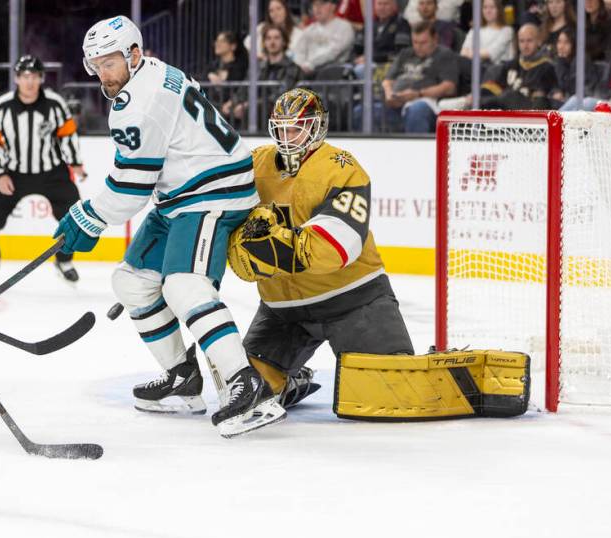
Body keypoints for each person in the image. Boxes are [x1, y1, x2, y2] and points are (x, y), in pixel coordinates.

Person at [56, 15, 285, 438]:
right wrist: (93, 214)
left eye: (109, 62)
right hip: (181, 194)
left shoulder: (137, 103)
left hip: (213, 193)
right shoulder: (153, 71)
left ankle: (245, 383)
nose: (102, 74)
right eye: (95, 64)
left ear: (134, 55)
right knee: (132, 283)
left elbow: (130, 189)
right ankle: (184, 378)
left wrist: (86, 216)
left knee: (184, 287)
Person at [227, 88, 413, 411]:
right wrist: (237, 250)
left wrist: (263, 250)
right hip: (283, 312)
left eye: (296, 127)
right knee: (250, 392)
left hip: (355, 301)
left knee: (388, 396)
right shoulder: (255, 165)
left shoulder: (341, 167)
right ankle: (290, 381)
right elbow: (227, 223)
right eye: (281, 128)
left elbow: (334, 247)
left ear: (316, 127)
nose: (288, 137)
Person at [0, 55, 86, 287]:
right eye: (24, 76)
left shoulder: (55, 103)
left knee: (74, 216)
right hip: (13, 174)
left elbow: (67, 134)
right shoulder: (3, 105)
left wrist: (74, 162)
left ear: (41, 78)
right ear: (16, 79)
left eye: (34, 76)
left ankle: (64, 261)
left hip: (52, 172)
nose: (29, 82)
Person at [374, 22, 459, 132]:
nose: (418, 47)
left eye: (423, 43)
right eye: (415, 42)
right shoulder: (405, 53)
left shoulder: (444, 55)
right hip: (397, 101)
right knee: (364, 111)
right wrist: (389, 94)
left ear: (435, 39)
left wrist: (418, 94)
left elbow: (449, 87)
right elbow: (388, 81)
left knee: (417, 110)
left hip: (426, 101)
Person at [222, 25, 303, 124]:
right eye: (268, 38)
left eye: (276, 38)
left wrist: (248, 105)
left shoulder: (292, 68)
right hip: (253, 109)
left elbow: (280, 97)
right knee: (220, 110)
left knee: (256, 109)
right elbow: (243, 90)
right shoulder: (258, 68)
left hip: (279, 115)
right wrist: (232, 103)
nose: (272, 42)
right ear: (264, 43)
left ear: (284, 42)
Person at [479, 23, 557, 110]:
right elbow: (494, 87)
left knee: (509, 95)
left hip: (529, 111)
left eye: (529, 41)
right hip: (505, 108)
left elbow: (542, 100)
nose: (525, 45)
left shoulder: (547, 67)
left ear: (538, 41)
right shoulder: (512, 64)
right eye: (521, 41)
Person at [292, 0, 356, 77]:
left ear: (333, 6)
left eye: (322, 4)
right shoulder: (308, 30)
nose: (317, 8)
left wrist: (310, 64)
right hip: (307, 77)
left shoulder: (344, 27)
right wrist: (299, 67)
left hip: (334, 77)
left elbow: (333, 52)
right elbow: (300, 53)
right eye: (314, 4)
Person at [460, 0, 515, 66]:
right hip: (474, 68)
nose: (488, 11)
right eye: (485, 7)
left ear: (499, 9)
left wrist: (470, 54)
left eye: (492, 7)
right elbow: (463, 52)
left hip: (497, 70)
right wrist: (476, 55)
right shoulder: (475, 29)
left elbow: (490, 53)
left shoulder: (507, 31)